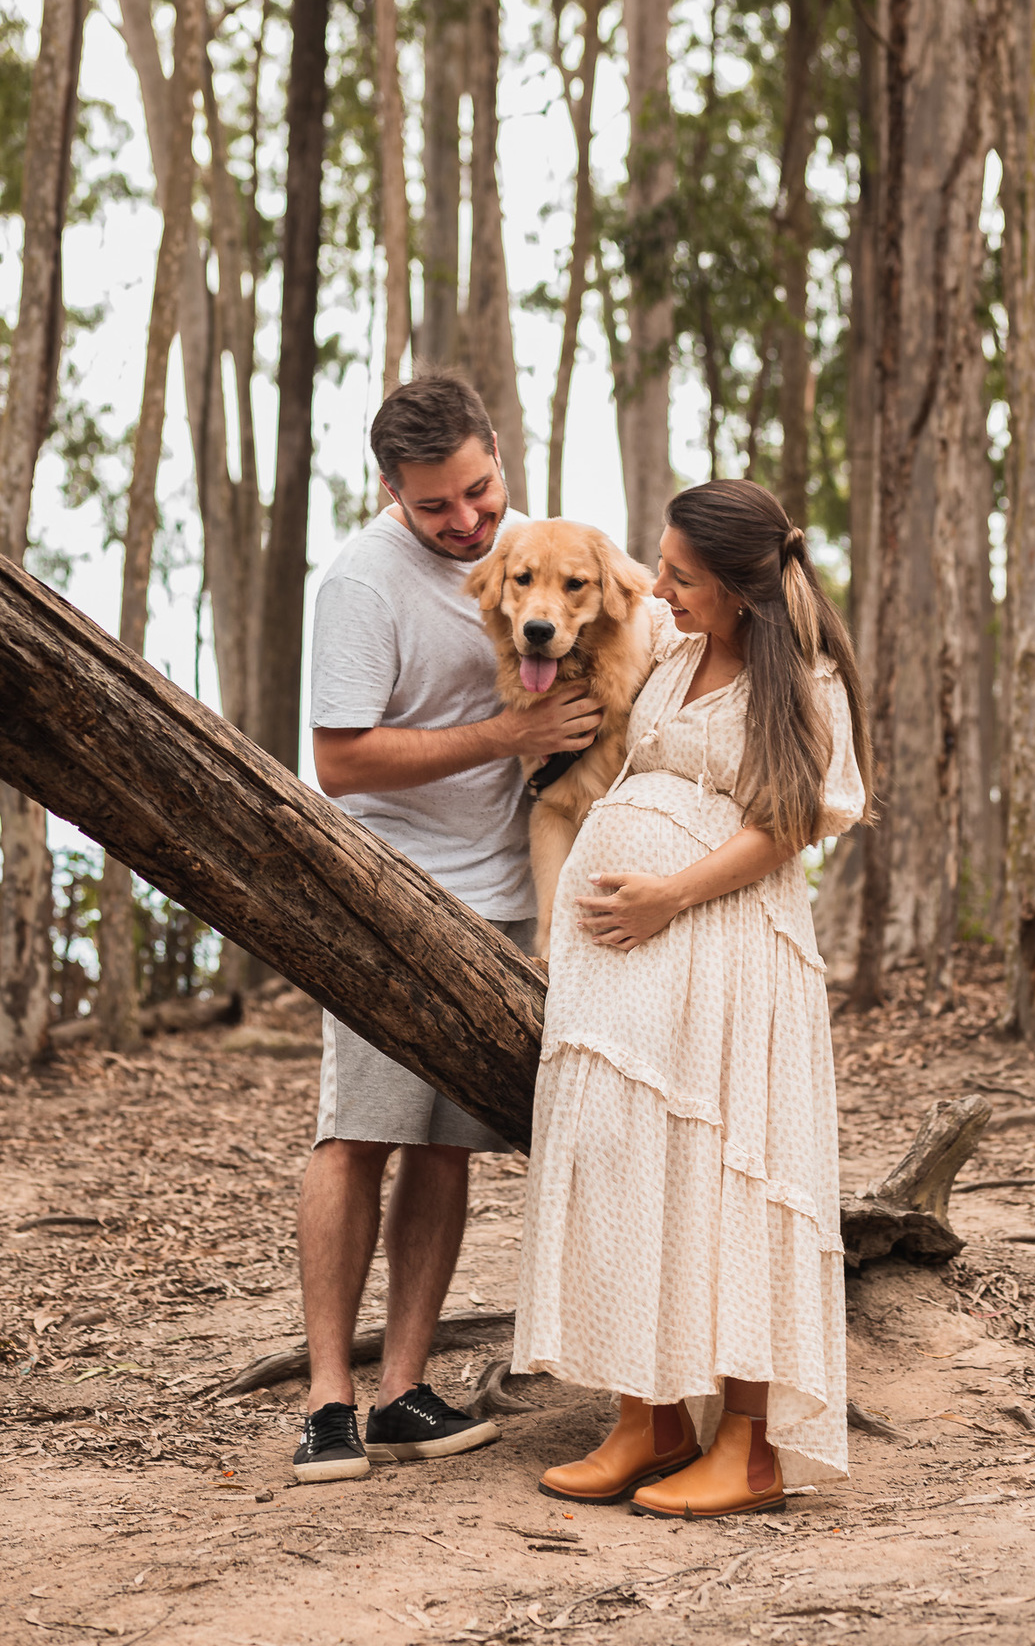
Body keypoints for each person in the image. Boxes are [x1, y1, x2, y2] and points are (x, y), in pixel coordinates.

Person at [511, 479, 871, 1518]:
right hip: (633, 974)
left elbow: (794, 820)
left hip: (728, 953)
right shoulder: (669, 653)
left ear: (742, 590)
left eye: (678, 575)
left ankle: (752, 1445)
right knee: (634, 1174)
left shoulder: (800, 680)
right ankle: (650, 1416)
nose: (654, 586)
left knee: (732, 1186)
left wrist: (667, 892)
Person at [294, 367, 604, 1483]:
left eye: (481, 491)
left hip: (511, 893)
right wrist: (503, 736)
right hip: (383, 889)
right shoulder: (360, 585)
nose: (469, 522)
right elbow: (337, 762)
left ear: (495, 455)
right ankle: (329, 1402)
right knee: (360, 1131)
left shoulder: (533, 553)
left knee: (446, 1144)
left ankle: (405, 1390)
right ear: (391, 492)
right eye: (438, 508)